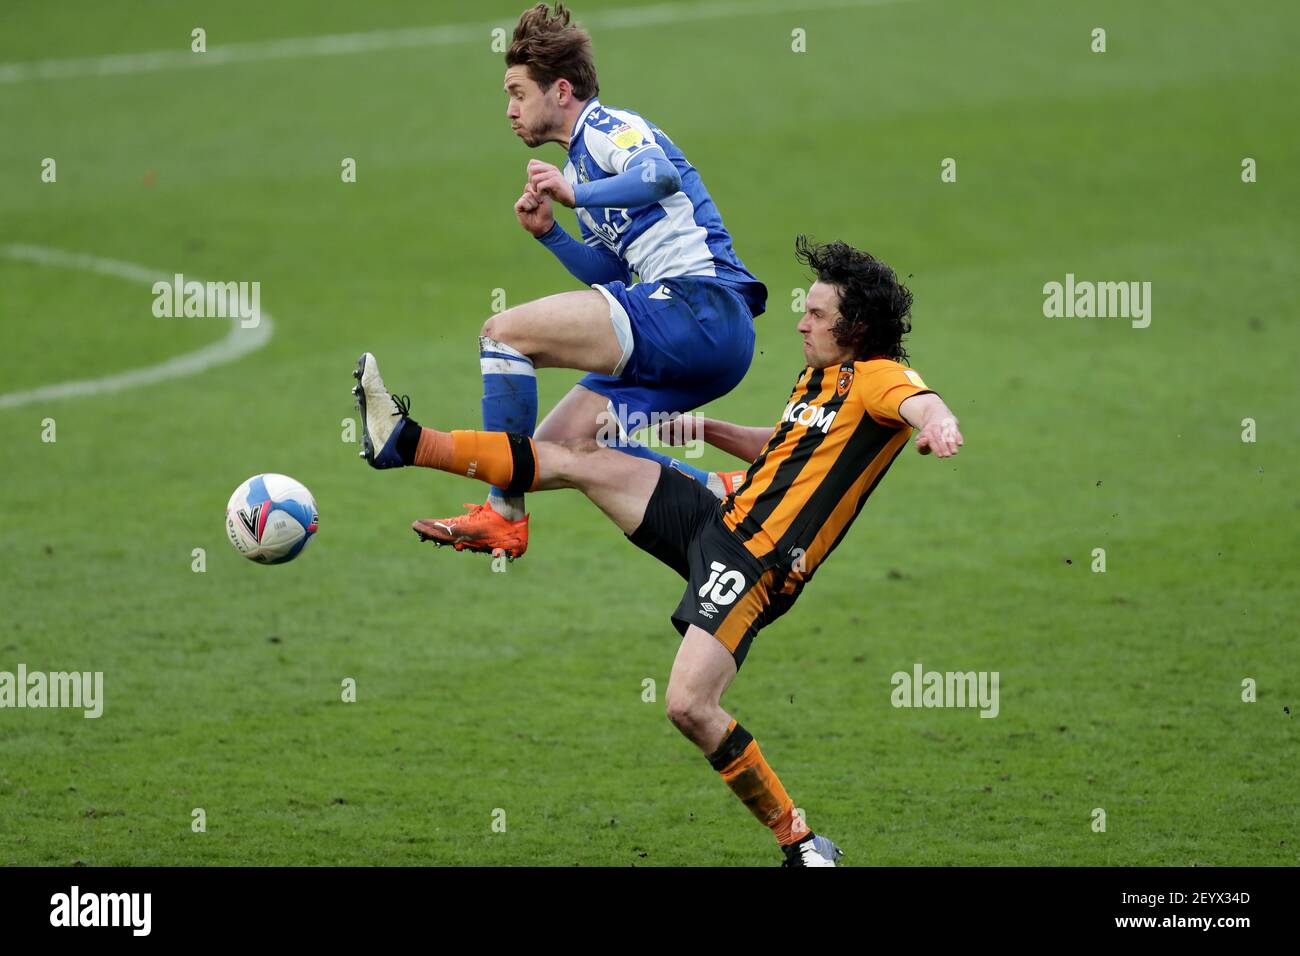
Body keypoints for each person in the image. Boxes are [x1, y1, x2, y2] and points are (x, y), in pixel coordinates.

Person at [352, 237, 963, 866]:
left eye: (816, 315)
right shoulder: (821, 374)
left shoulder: (881, 378)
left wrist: (937, 424)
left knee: (688, 706)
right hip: (716, 518)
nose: (801, 321)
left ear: (857, 328)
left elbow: (921, 402)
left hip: (755, 565)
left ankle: (802, 845)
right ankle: (403, 442)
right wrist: (707, 429)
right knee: (580, 457)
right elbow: (785, 451)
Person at [414, 2, 766, 559]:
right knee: (556, 448)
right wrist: (552, 234)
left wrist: (579, 196)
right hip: (694, 334)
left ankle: (502, 515)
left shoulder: (607, 126)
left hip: (701, 306)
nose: (509, 109)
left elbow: (658, 174)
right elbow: (611, 272)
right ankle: (721, 490)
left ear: (559, 90)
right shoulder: (578, 166)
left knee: (504, 334)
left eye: (517, 93)